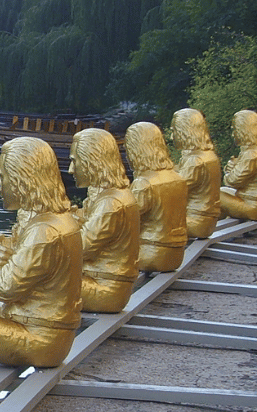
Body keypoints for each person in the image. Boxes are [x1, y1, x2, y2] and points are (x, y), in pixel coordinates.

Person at [0, 137, 82, 393]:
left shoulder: (44, 231)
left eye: (4, 177)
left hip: (41, 340)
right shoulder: (49, 220)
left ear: (24, 178)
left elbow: (3, 289)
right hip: (42, 328)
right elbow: (4, 255)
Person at [69, 128, 139, 312]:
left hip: (105, 290)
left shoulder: (111, 203)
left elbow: (79, 250)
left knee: (36, 283)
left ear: (93, 161)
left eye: (75, 162)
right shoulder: (112, 196)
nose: (70, 170)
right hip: (105, 284)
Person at [125, 121, 187, 271]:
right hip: (177, 254)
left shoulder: (144, 183)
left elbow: (125, 222)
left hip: (150, 254)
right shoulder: (177, 178)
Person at [171, 108, 222, 239]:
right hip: (207, 220)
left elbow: (175, 192)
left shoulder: (195, 161)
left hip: (195, 221)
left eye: (174, 131)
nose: (172, 137)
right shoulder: (209, 155)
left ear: (184, 131)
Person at [219, 110, 257, 222]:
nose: (233, 134)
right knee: (223, 190)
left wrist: (229, 172)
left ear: (243, 130)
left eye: (235, 130)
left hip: (252, 207)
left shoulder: (251, 154)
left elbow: (233, 181)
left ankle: (214, 227)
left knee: (215, 196)